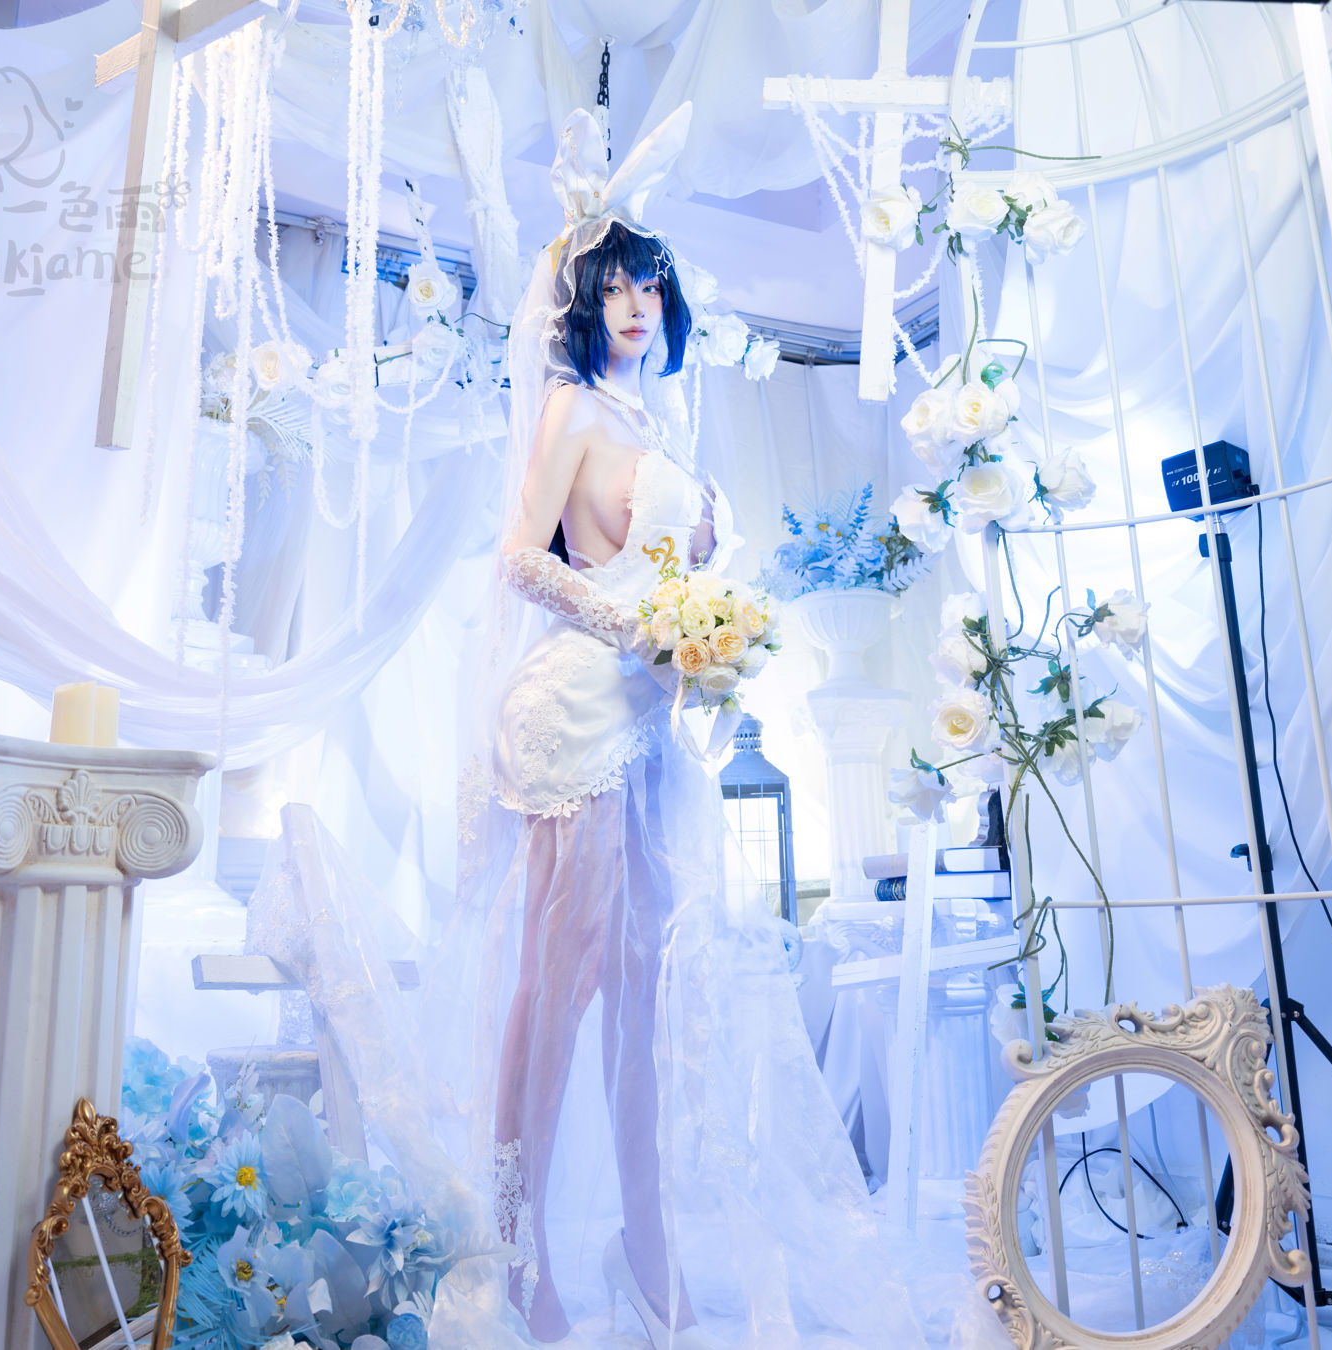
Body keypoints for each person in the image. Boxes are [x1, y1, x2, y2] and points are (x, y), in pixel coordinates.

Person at [264, 105, 953, 1350]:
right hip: (573, 710)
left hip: (646, 723)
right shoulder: (573, 409)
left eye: (650, 287)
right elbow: (520, 560)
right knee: (562, 977)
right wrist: (638, 625)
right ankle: (513, 1249)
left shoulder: (658, 424)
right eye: (616, 288)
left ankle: (648, 1248)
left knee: (647, 982)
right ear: (582, 306)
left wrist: (704, 627)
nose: (636, 306)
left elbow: (677, 574)